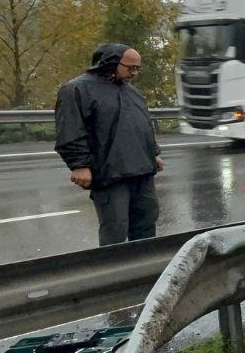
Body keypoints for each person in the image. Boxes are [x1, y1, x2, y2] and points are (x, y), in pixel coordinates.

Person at [54, 43, 163, 246]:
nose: (135, 73)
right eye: (130, 67)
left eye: (138, 68)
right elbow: (70, 129)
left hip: (142, 171)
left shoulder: (132, 92)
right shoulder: (77, 89)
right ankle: (115, 275)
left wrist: (153, 153)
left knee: (147, 226)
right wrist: (79, 165)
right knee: (115, 230)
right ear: (111, 62)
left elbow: (142, 125)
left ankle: (145, 275)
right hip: (110, 174)